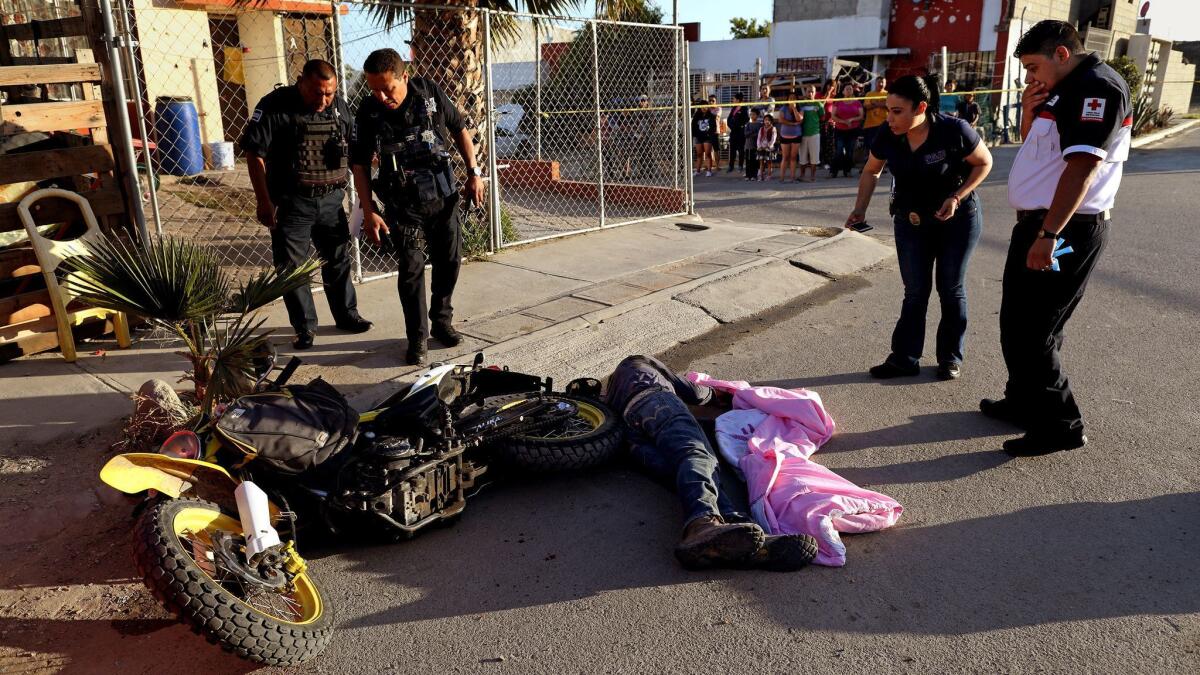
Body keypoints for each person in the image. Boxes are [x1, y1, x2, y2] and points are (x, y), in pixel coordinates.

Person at [984, 20, 1131, 457]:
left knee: (1035, 330)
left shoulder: (1097, 89)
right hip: (1038, 224)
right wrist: (1031, 111)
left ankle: (1061, 425)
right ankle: (1024, 400)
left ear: (1061, 54)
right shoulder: (1065, 88)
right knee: (1017, 320)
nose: (1030, 76)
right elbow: (1041, 149)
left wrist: (1049, 233)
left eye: (1033, 66)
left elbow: (1082, 167)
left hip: (1064, 228)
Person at [605, 355, 819, 571]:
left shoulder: (611, 394)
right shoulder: (639, 361)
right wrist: (716, 393)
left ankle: (734, 535)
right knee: (699, 457)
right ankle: (702, 524)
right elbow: (696, 393)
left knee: (685, 472)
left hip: (630, 435)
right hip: (659, 403)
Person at [845, 75, 993, 381]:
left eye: (897, 111)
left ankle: (950, 357)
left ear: (921, 107)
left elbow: (984, 162)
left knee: (950, 288)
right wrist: (859, 210)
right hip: (911, 221)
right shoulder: (888, 134)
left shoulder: (953, 130)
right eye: (888, 109)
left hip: (957, 219)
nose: (890, 118)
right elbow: (872, 171)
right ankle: (904, 358)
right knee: (915, 291)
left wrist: (956, 196)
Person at [349, 48, 485, 366]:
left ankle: (441, 320)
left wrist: (475, 173)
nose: (381, 96)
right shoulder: (368, 111)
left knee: (449, 260)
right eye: (374, 89)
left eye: (388, 88)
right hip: (403, 204)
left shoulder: (430, 94)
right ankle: (417, 338)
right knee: (410, 271)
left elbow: (460, 129)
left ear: (404, 77)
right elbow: (359, 165)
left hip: (443, 196)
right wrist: (368, 211)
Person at [240, 59, 372, 350]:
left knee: (338, 261)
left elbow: (354, 152)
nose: (323, 100)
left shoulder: (339, 106)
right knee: (292, 269)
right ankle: (305, 327)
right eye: (316, 93)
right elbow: (254, 154)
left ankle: (347, 315)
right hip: (291, 203)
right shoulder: (275, 105)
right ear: (301, 82)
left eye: (329, 93)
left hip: (331, 201)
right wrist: (263, 201)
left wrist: (365, 201)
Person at [829, 81, 864, 178]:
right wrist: (844, 121)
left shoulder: (857, 102)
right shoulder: (838, 102)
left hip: (852, 130)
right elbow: (833, 116)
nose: (849, 90)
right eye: (847, 89)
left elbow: (861, 116)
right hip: (840, 130)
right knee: (839, 151)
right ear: (843, 92)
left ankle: (847, 170)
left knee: (849, 151)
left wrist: (852, 119)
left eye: (850, 89)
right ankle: (833, 171)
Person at [795, 84, 823, 183]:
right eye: (808, 91)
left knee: (814, 157)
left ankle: (813, 176)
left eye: (812, 91)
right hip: (802, 134)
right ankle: (802, 175)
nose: (810, 93)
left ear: (815, 93)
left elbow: (822, 117)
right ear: (805, 92)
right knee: (802, 156)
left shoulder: (818, 104)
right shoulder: (802, 104)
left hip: (815, 133)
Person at [776, 88, 803, 183]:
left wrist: (794, 108)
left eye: (794, 98)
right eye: (790, 98)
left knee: (793, 157)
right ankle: (781, 178)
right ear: (787, 99)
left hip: (796, 136)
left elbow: (799, 119)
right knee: (785, 157)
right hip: (785, 136)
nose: (792, 99)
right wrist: (792, 124)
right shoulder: (783, 108)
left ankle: (792, 178)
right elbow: (781, 120)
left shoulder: (800, 108)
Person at [861, 76, 888, 165]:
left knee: (882, 146)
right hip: (870, 124)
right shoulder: (869, 94)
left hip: (884, 124)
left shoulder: (888, 94)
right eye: (879, 82)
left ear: (885, 83)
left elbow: (888, 106)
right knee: (869, 145)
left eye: (882, 82)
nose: (881, 84)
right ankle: (867, 165)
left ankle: (880, 166)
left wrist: (874, 103)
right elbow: (867, 106)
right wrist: (881, 103)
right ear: (875, 83)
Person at [690, 100, 717, 177]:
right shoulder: (697, 115)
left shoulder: (711, 115)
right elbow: (693, 126)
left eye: (705, 106)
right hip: (699, 137)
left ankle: (709, 170)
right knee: (699, 154)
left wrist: (710, 134)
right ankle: (698, 171)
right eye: (702, 106)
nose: (703, 108)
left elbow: (713, 127)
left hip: (707, 137)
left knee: (708, 153)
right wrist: (695, 135)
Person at [725, 92, 749, 173]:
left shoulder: (744, 108)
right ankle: (731, 166)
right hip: (733, 132)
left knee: (741, 150)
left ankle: (740, 166)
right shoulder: (734, 108)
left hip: (740, 133)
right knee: (732, 150)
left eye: (734, 99)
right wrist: (731, 126)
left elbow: (746, 119)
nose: (733, 100)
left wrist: (739, 126)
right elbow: (729, 119)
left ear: (738, 100)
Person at [743, 108, 762, 181]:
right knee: (748, 161)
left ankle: (754, 175)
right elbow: (745, 134)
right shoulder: (748, 124)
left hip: (756, 146)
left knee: (755, 161)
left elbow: (758, 134)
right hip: (748, 146)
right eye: (751, 114)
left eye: (754, 114)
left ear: (757, 115)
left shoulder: (759, 124)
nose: (752, 116)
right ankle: (748, 175)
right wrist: (752, 132)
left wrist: (751, 133)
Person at [756, 114, 778, 181]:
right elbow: (759, 138)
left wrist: (768, 146)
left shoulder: (773, 128)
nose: (767, 121)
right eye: (765, 120)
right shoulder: (761, 129)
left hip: (769, 148)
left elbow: (773, 139)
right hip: (761, 148)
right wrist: (759, 146)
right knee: (761, 162)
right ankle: (761, 176)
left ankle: (769, 175)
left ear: (771, 121)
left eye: (768, 120)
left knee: (769, 162)